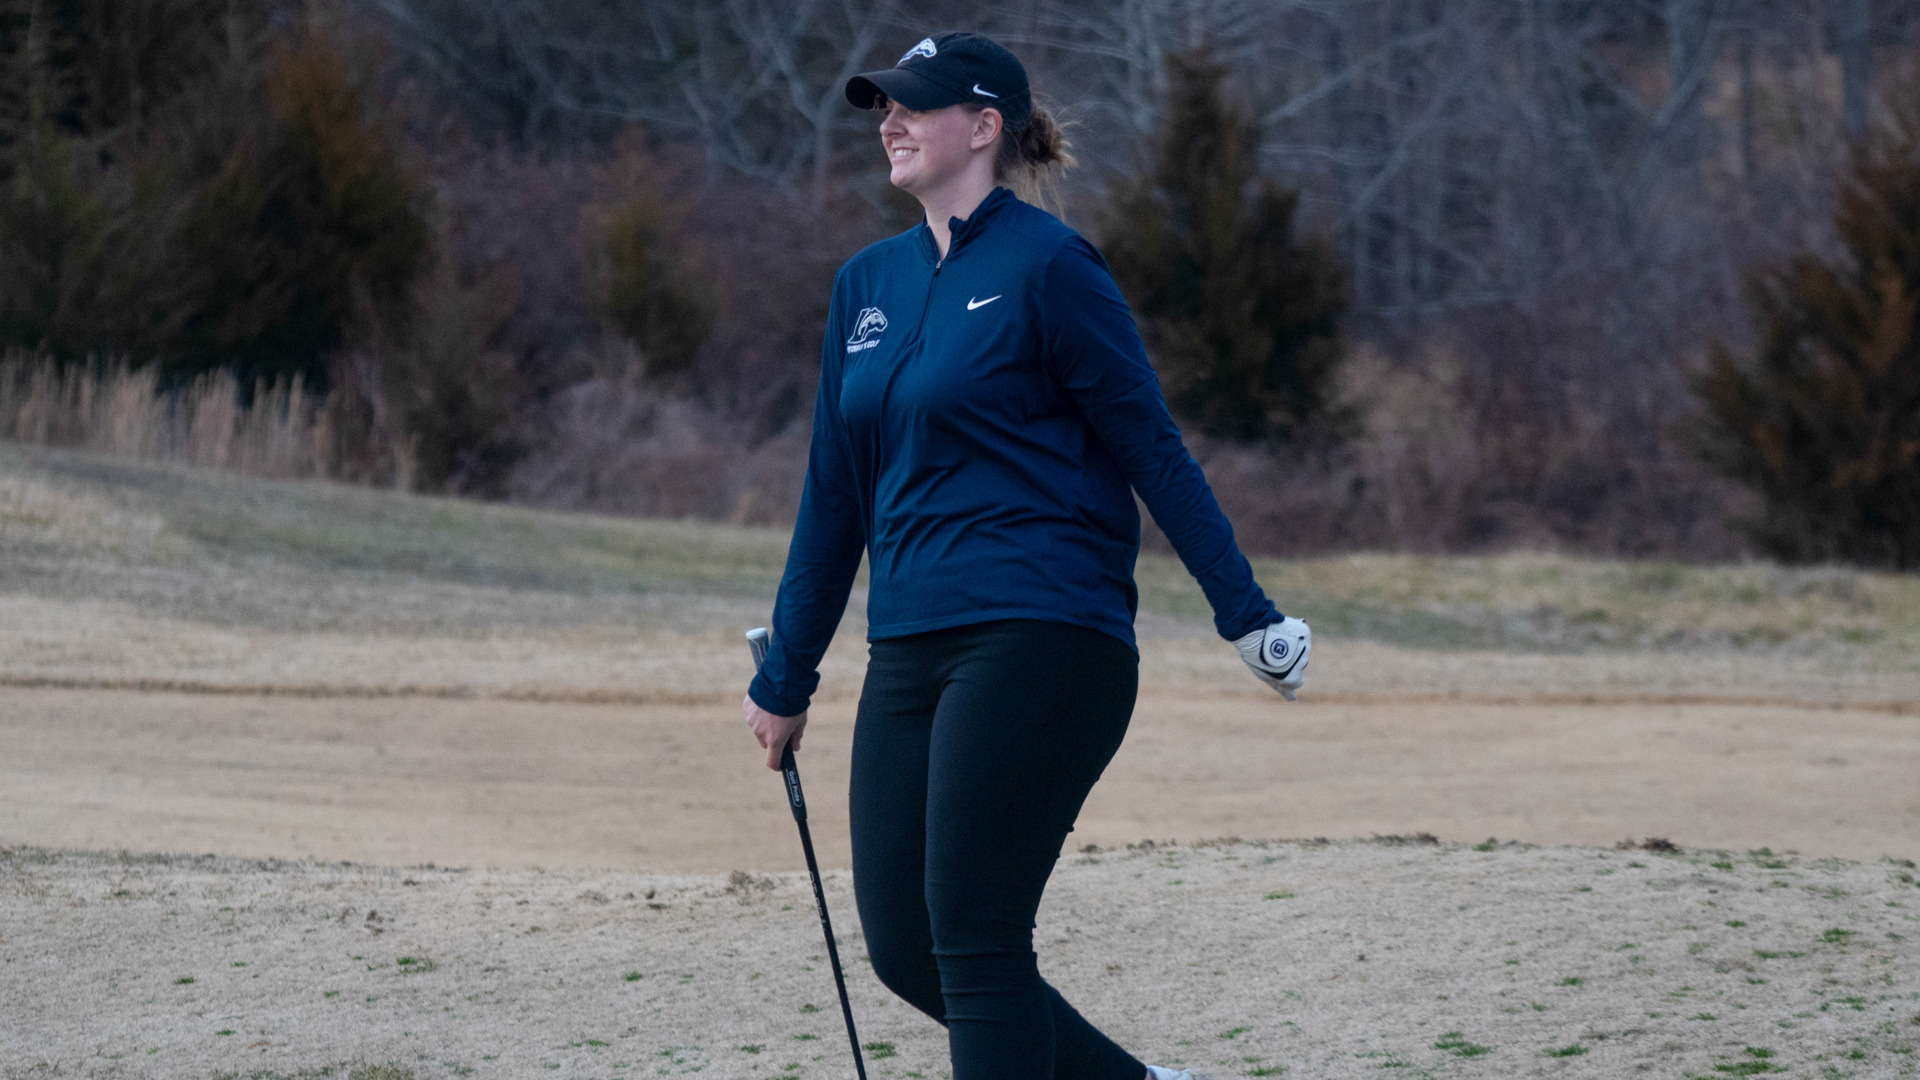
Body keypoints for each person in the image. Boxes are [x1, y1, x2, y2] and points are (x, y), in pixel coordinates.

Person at [741, 30, 1310, 1080]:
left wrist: (1247, 614)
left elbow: (1151, 448)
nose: (890, 122)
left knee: (974, 934)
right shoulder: (865, 286)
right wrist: (785, 676)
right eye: (883, 107)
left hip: (1044, 634)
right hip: (910, 644)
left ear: (984, 126)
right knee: (908, 949)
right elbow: (833, 497)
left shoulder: (1050, 266)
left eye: (913, 105)